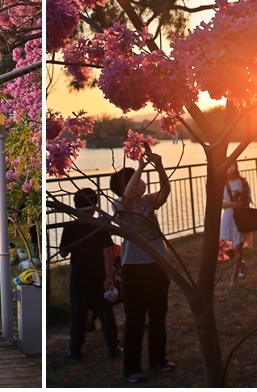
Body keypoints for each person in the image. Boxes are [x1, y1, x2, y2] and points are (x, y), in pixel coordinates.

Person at [110, 152, 174, 384]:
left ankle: (159, 359)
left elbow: (165, 191)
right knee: (135, 321)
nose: (141, 183)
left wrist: (159, 166)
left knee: (159, 317)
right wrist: (139, 166)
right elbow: (127, 196)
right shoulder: (119, 205)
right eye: (135, 180)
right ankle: (132, 369)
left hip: (157, 265)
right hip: (134, 270)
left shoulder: (148, 201)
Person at [59, 188, 119, 361]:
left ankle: (75, 350)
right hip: (100, 278)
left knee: (78, 317)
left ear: (75, 206)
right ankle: (112, 348)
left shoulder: (70, 227)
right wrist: (109, 277)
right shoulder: (100, 226)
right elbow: (108, 253)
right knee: (106, 314)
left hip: (79, 279)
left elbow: (63, 253)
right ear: (95, 207)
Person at [220, 161, 252, 284]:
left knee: (238, 247)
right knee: (226, 248)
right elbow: (218, 202)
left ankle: (234, 276)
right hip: (228, 217)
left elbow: (248, 198)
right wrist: (230, 204)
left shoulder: (242, 182)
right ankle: (241, 264)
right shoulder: (222, 182)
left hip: (240, 217)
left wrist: (241, 203)